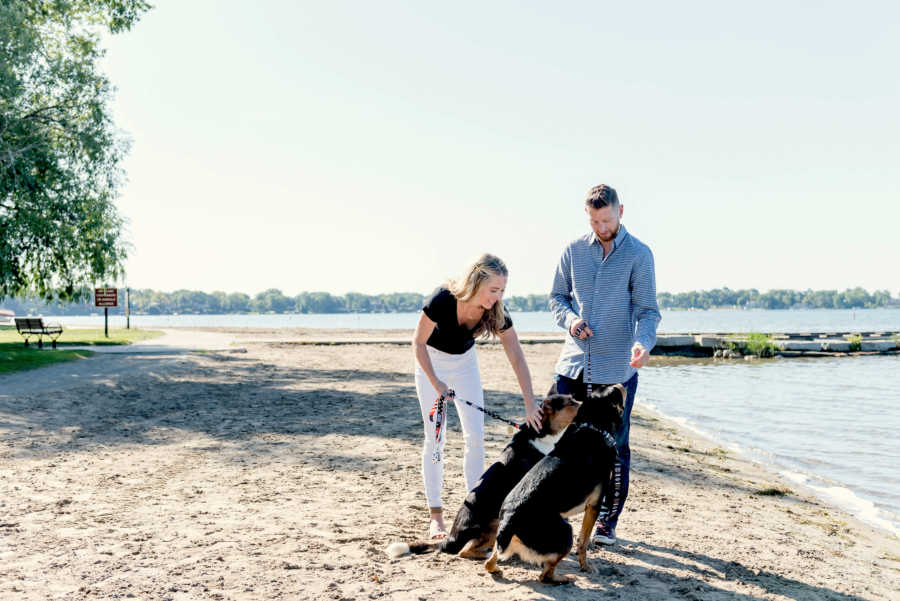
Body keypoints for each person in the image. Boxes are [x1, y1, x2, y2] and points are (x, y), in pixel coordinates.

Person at [549, 184, 661, 545]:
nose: (601, 227)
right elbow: (557, 297)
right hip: (573, 364)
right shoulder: (573, 250)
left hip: (617, 370)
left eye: (607, 219)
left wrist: (643, 344)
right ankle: (555, 513)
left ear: (621, 211)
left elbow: (647, 312)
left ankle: (606, 523)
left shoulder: (639, 255)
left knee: (613, 449)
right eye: (595, 220)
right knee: (557, 441)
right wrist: (570, 321)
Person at [413, 253, 542, 540]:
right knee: (435, 438)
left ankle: (475, 511)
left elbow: (517, 356)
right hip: (431, 363)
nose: (497, 297)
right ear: (475, 283)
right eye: (493, 290)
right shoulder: (442, 299)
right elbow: (418, 343)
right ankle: (436, 517)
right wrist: (435, 382)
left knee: (475, 436)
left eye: (502, 291)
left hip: (464, 364)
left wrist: (530, 403)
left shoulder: (496, 312)